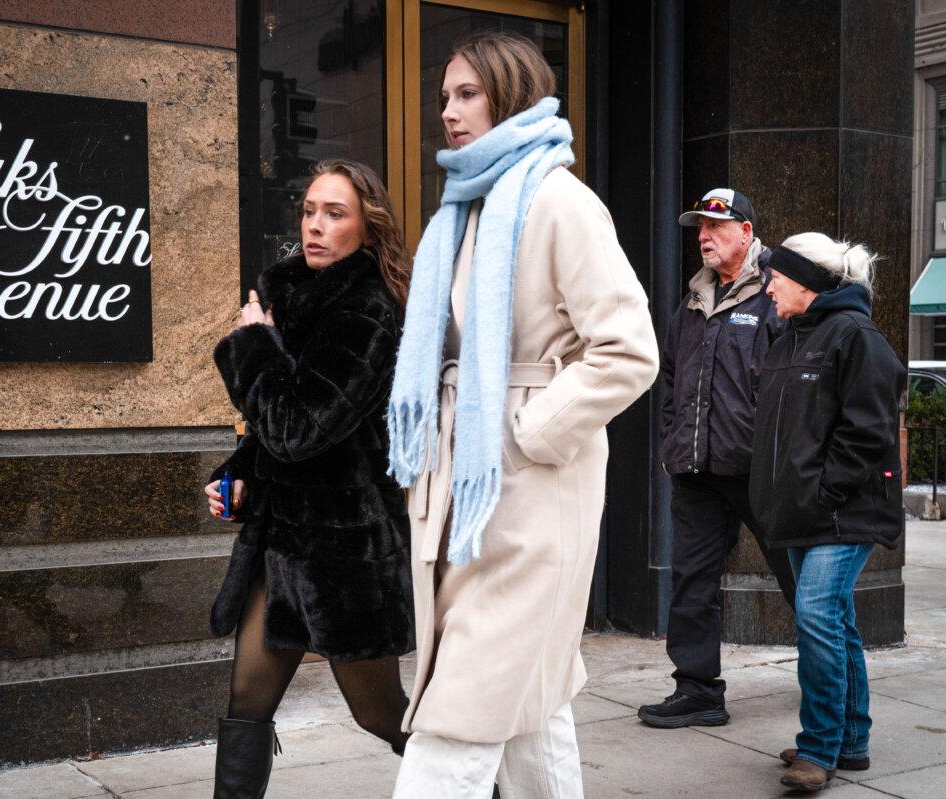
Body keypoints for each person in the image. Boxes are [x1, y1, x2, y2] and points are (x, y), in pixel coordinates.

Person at [386, 31, 659, 798]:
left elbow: (630, 349)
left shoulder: (560, 201)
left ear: (510, 94)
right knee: (529, 711)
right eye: (444, 96)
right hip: (467, 494)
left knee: (461, 716)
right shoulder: (464, 210)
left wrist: (531, 428)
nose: (448, 112)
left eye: (466, 93)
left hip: (533, 495)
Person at [203, 159, 415, 798]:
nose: (316, 226)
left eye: (336, 213)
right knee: (246, 702)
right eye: (309, 211)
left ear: (368, 228)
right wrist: (238, 471)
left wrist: (252, 345)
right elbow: (277, 431)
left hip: (345, 549)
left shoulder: (368, 311)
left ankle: (485, 788)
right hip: (281, 545)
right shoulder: (291, 297)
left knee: (379, 712)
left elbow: (299, 426)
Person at [748, 233, 904, 793]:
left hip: (840, 512)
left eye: (776, 278)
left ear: (806, 282)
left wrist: (824, 491)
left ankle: (818, 750)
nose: (768, 288)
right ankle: (851, 741)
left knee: (816, 615)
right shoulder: (791, 335)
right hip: (796, 511)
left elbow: (869, 429)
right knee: (835, 622)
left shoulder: (855, 335)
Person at [638, 188, 799, 729]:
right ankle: (697, 691)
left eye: (716, 226)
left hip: (762, 471)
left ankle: (832, 685)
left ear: (746, 232)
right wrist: (671, 440)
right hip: (696, 469)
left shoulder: (777, 291)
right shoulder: (692, 300)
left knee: (801, 579)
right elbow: (670, 376)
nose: (703, 237)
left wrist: (782, 454)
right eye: (699, 228)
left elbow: (799, 382)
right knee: (692, 580)